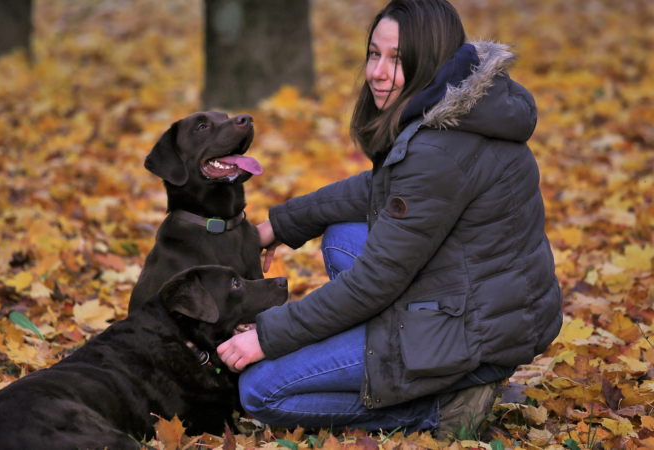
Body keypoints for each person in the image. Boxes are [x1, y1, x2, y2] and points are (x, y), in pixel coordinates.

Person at [216, 0, 563, 437]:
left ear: (432, 60)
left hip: (474, 331)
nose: (377, 73)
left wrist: (266, 337)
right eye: (374, 53)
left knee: (261, 389)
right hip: (490, 302)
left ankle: (442, 408)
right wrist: (280, 226)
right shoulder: (463, 109)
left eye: (398, 59)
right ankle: (408, 371)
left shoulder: (438, 151)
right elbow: (378, 190)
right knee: (341, 237)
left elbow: (373, 284)